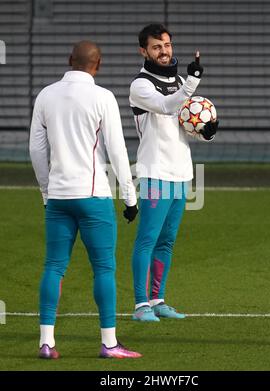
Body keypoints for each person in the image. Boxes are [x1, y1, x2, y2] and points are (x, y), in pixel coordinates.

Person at [30, 41, 141, 358]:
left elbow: (36, 150)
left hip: (59, 198)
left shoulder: (46, 96)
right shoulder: (103, 97)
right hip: (94, 197)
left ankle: (47, 343)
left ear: (69, 61)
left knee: (53, 266)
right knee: (104, 269)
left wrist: (46, 192)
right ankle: (109, 343)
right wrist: (130, 200)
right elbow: (118, 152)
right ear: (99, 64)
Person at [129, 24, 218, 321]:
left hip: (181, 173)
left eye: (166, 45)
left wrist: (207, 132)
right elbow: (167, 106)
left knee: (166, 241)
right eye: (157, 46)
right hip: (155, 172)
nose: (164, 51)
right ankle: (141, 305)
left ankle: (158, 300)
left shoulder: (180, 81)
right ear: (144, 51)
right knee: (147, 239)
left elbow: (186, 126)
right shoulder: (140, 85)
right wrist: (192, 83)